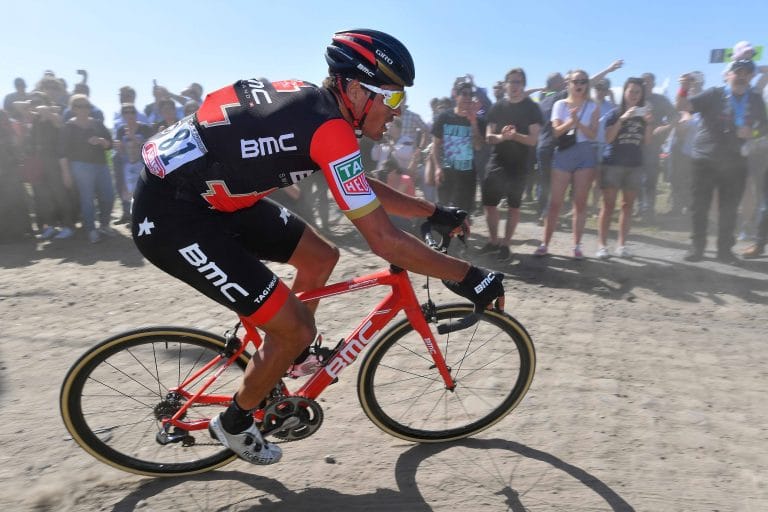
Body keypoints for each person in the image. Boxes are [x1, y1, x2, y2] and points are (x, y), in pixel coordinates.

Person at [132, 29, 504, 466]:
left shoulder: (317, 107)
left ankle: (285, 357)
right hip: (175, 216)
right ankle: (234, 422)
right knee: (296, 328)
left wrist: (431, 210)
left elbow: (355, 183)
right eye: (393, 99)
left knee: (321, 256)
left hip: (208, 196)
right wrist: (468, 275)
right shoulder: (328, 127)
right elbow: (384, 241)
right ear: (352, 88)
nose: (396, 114)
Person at [676, 59, 768, 263]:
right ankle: (696, 248)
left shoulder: (755, 98)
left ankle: (724, 250)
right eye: (738, 72)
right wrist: (683, 88)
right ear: (728, 75)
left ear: (751, 77)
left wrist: (751, 131)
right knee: (700, 206)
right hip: (705, 158)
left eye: (747, 73)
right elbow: (684, 106)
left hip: (736, 162)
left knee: (729, 208)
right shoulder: (714, 94)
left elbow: (764, 127)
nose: (742, 76)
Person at [534, 69, 599, 259]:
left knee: (579, 203)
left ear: (587, 84)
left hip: (585, 153)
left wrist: (578, 123)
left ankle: (577, 246)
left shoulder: (592, 106)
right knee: (555, 202)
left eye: (583, 81)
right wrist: (572, 121)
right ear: (568, 84)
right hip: (563, 154)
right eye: (575, 81)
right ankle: (545, 243)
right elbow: (556, 132)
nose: (579, 85)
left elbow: (593, 135)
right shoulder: (560, 104)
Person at [481, 68, 542, 261]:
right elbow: (489, 138)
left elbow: (533, 140)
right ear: (505, 84)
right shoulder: (497, 108)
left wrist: (515, 136)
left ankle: (506, 245)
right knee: (489, 204)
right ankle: (493, 241)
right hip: (498, 160)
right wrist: (503, 137)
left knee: (514, 207)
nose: (514, 86)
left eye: (518, 82)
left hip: (520, 163)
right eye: (511, 82)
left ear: (523, 85)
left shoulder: (532, 108)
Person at [596, 78, 652, 259]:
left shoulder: (645, 116)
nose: (634, 95)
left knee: (627, 207)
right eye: (631, 91)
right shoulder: (614, 113)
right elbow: (608, 138)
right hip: (613, 163)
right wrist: (622, 119)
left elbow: (647, 142)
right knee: (608, 206)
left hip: (634, 165)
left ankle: (622, 245)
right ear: (624, 92)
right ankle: (602, 246)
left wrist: (649, 123)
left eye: (638, 92)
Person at [60, 94, 115, 243]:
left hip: (101, 165)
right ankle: (91, 229)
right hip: (80, 166)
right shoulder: (68, 127)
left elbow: (110, 144)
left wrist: (104, 142)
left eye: (87, 106)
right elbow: (63, 153)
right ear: (73, 108)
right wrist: (66, 173)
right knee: (87, 199)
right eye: (80, 106)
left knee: (109, 196)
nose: (84, 109)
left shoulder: (97, 124)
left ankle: (104, 225)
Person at [431, 77, 484, 214]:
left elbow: (478, 146)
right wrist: (437, 168)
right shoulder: (444, 117)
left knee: (463, 214)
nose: (467, 97)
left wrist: (473, 122)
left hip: (467, 174)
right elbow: (435, 145)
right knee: (442, 210)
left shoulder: (478, 120)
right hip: (447, 172)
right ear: (456, 95)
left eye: (470, 94)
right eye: (464, 93)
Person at [637, 72, 677, 223]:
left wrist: (666, 128)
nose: (646, 85)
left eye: (648, 82)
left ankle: (648, 210)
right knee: (635, 178)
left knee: (650, 178)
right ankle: (639, 207)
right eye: (643, 82)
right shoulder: (635, 98)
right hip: (635, 144)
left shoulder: (661, 100)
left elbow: (675, 116)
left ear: (654, 84)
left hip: (653, 144)